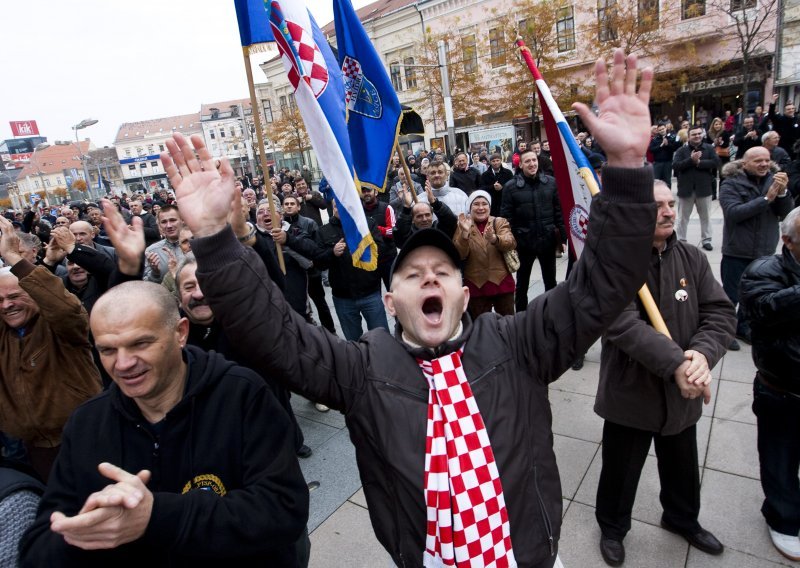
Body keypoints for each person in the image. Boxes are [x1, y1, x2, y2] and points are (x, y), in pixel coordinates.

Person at [160, 49, 657, 568]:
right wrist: (215, 238)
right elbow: (275, 334)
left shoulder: (518, 344)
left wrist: (626, 169)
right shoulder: (362, 369)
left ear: (464, 295)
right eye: (413, 274)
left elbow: (601, 284)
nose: (429, 279)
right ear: (393, 303)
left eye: (442, 272)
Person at [18, 281, 310, 566]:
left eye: (140, 343)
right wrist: (87, 531)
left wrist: (156, 516)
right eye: (107, 350)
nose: (123, 364)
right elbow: (40, 545)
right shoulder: (86, 424)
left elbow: (283, 510)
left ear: (180, 333)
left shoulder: (241, 394)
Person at [593, 181, 735, 566]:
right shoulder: (614, 264)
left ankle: (681, 518)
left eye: (671, 204)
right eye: (658, 206)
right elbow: (620, 325)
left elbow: (720, 313)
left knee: (682, 466)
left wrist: (701, 356)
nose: (669, 211)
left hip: (681, 395)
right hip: (631, 393)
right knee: (621, 471)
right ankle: (612, 527)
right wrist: (677, 363)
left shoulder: (692, 258)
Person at [0, 216, 101, 482]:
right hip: (34, 450)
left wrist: (13, 257)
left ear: (34, 294)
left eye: (14, 297)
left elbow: (63, 307)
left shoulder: (61, 327)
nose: (6, 305)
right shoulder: (5, 335)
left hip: (86, 439)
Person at [739, 206, 800, 562]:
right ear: (788, 241)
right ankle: (784, 519)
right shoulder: (763, 273)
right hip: (782, 387)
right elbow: (764, 310)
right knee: (780, 458)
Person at [719, 146, 792, 348]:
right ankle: (724, 331)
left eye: (767, 160)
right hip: (737, 250)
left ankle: (743, 327)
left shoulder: (774, 180)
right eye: (758, 161)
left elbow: (785, 213)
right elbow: (734, 213)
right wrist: (766, 199)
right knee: (730, 295)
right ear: (745, 164)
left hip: (764, 251)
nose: (764, 164)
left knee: (754, 295)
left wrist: (783, 193)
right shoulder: (731, 183)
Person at [501, 149, 567, 312]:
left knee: (550, 283)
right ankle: (522, 318)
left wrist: (563, 238)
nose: (532, 164)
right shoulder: (510, 187)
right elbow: (506, 217)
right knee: (522, 285)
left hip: (547, 241)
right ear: (521, 164)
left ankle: (551, 314)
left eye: (534, 160)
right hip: (524, 244)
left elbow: (558, 211)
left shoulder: (551, 183)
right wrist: (514, 240)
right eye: (528, 161)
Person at [453, 190, 516, 318]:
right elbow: (459, 254)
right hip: (476, 284)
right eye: (476, 204)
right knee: (481, 326)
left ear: (489, 206)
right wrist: (464, 235)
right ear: (470, 208)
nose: (480, 208)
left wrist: (494, 238)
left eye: (484, 204)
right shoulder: (463, 224)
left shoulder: (499, 222)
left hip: (502, 282)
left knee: (508, 323)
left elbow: (511, 242)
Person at [673, 126, 720, 251]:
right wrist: (691, 160)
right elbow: (676, 166)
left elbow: (716, 163)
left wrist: (699, 163)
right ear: (688, 136)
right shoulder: (681, 151)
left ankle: (706, 239)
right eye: (694, 134)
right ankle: (681, 240)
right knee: (683, 217)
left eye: (699, 134)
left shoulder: (709, 149)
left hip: (704, 189)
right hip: (686, 189)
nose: (697, 136)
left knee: (706, 217)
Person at [142, 205, 186, 284]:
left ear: (182, 220)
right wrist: (155, 273)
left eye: (172, 220)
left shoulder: (195, 244)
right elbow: (147, 284)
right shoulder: (152, 251)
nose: (168, 225)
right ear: (159, 225)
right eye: (164, 222)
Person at [481, 153, 514, 218]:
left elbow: (512, 187)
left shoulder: (508, 173)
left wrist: (502, 187)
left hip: (505, 203)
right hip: (491, 205)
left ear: (501, 160)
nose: (495, 163)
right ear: (490, 162)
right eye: (493, 161)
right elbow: (482, 189)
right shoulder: (485, 175)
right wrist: (492, 187)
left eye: (497, 160)